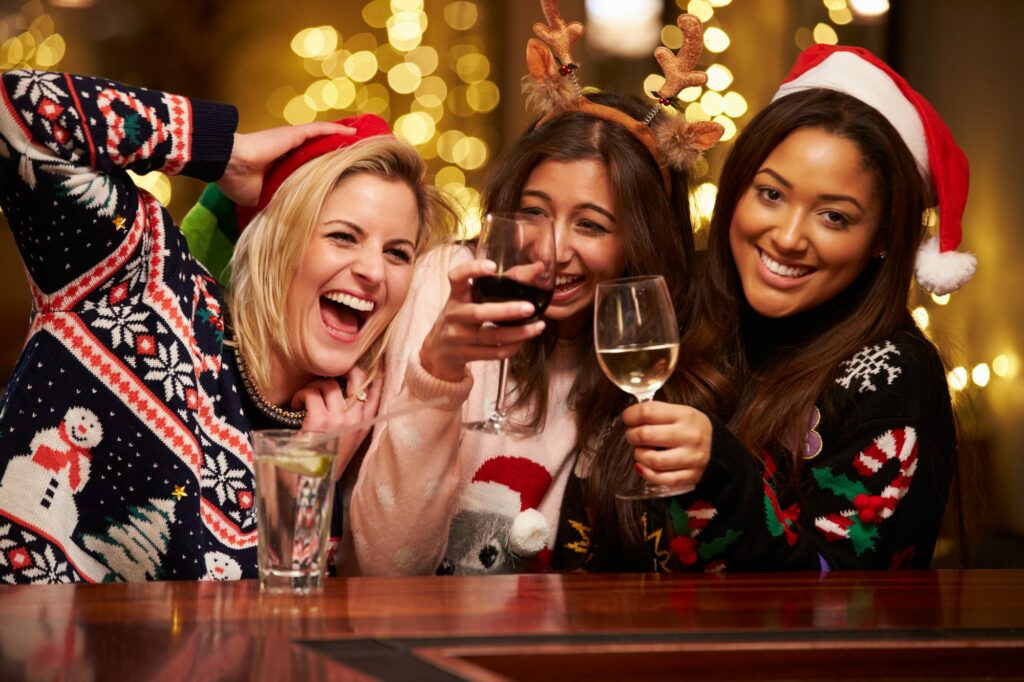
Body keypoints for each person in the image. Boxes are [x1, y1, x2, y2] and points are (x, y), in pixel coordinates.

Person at [0, 69, 453, 583]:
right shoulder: (146, 283)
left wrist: (306, 476)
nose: (374, 272)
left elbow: (262, 639)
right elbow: (18, 113)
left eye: (398, 253)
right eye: (344, 237)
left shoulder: (349, 428)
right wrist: (221, 151)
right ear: (274, 243)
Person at [555, 44, 975, 572]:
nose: (789, 237)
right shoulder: (673, 302)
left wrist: (722, 468)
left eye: (835, 217)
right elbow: (584, 525)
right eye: (772, 195)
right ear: (738, 187)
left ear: (883, 237)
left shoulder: (892, 377)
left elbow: (845, 598)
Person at [341, 6, 723, 575]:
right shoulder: (450, 284)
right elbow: (382, 568)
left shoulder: (651, 339)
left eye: (591, 225)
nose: (550, 250)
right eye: (534, 213)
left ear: (640, 243)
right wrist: (437, 374)